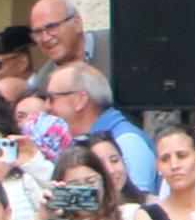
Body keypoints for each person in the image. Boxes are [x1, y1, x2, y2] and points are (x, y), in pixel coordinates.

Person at [44, 61, 158, 197]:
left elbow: (136, 203)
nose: (46, 107)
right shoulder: (77, 142)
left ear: (80, 100)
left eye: (52, 98)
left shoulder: (127, 141)